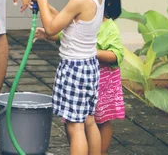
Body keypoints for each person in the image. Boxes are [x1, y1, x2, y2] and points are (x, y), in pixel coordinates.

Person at [27, 0, 122, 155]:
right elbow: (69, 27)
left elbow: (52, 28)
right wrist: (47, 8)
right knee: (88, 120)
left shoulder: (79, 1)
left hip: (74, 69)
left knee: (74, 125)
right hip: (89, 68)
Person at [35, 15, 126, 155]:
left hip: (103, 80)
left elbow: (116, 54)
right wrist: (46, 35)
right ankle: (79, 148)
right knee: (74, 119)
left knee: (101, 118)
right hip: (79, 77)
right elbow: (61, 35)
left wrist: (92, 52)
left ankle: (101, 151)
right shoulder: (79, 23)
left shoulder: (109, 27)